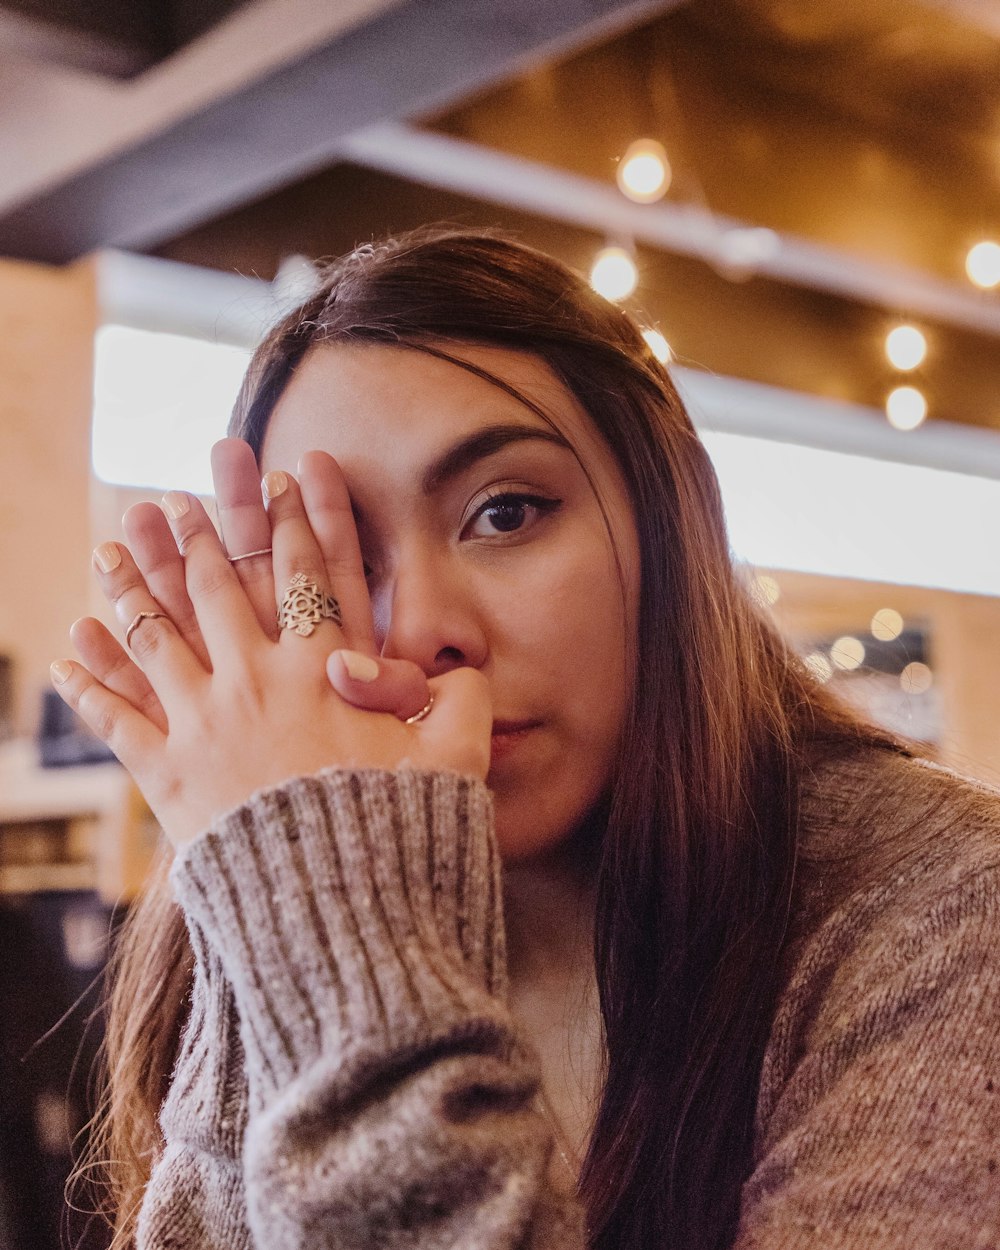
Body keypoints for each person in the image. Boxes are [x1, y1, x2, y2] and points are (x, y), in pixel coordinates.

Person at [53, 229, 998, 1250]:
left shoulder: (943, 904)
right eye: (336, 565)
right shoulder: (276, 907)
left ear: (669, 524)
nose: (420, 628)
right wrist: (288, 893)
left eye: (505, 512)